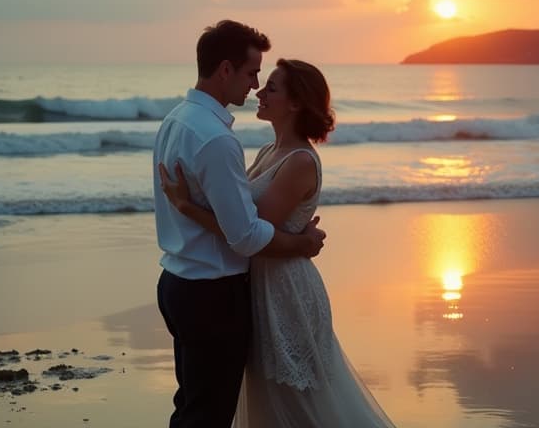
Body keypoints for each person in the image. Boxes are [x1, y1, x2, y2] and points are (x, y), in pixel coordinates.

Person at [160, 58, 396, 427]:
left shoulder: (300, 161)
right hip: (262, 286)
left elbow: (250, 234)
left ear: (296, 102)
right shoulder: (269, 152)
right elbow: (243, 225)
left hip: (286, 291)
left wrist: (186, 206)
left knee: (301, 403)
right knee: (270, 399)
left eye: (271, 87)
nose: (258, 91)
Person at [152, 20, 327, 428]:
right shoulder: (216, 139)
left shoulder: (177, 120)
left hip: (184, 282)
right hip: (211, 294)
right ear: (226, 70)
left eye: (266, 81)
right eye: (252, 73)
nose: (256, 86)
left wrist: (187, 209)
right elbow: (246, 234)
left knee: (197, 406)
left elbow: (242, 222)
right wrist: (302, 244)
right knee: (206, 413)